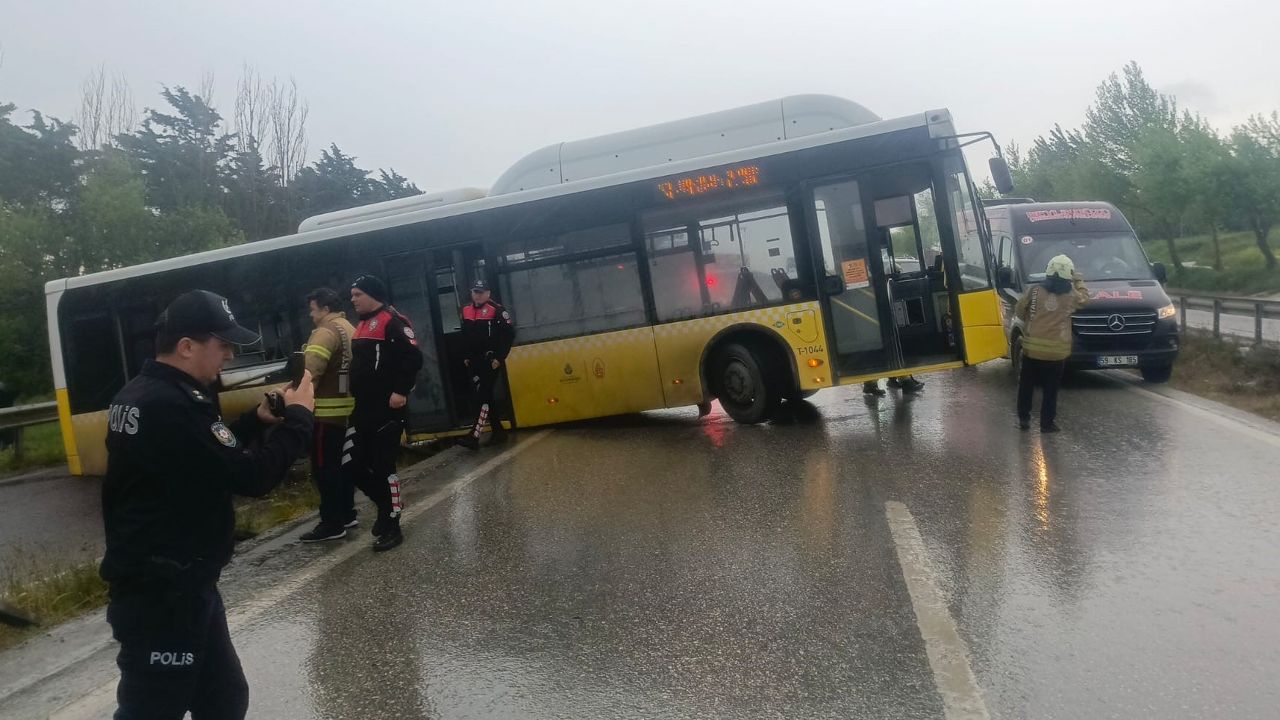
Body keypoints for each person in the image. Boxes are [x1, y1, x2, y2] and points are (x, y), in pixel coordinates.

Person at [100, 289, 315, 719]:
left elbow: (204, 456)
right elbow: (250, 476)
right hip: (163, 591)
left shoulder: (145, 392)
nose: (230, 355)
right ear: (186, 346)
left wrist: (256, 421)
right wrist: (299, 420)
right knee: (151, 708)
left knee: (223, 697)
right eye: (223, 344)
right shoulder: (173, 404)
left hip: (182, 579)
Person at [347, 274, 424, 551]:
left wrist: (400, 391)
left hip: (386, 409)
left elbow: (413, 357)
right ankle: (385, 505)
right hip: (362, 408)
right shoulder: (362, 323)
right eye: (352, 294)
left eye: (357, 294)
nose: (353, 299)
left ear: (372, 294)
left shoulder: (393, 321)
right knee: (349, 463)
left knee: (384, 467)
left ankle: (393, 525)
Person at [299, 288, 358, 543]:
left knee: (324, 468)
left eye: (313, 310)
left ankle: (332, 523)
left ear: (324, 309)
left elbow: (310, 371)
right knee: (343, 466)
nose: (311, 316)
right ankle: (347, 513)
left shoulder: (325, 332)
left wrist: (294, 396)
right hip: (347, 409)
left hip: (324, 415)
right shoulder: (349, 327)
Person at [1015, 254, 1090, 433]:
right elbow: (1085, 300)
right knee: (1051, 390)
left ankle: (1024, 419)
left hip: (1031, 350)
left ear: (1048, 271)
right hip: (1056, 353)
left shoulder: (1034, 291)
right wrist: (1079, 282)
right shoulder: (1072, 295)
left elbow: (1019, 310)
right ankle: (1046, 424)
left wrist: (1032, 318)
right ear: (1069, 274)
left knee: (1026, 385)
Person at [457, 279, 515, 450]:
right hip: (474, 361)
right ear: (471, 293)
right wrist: (466, 356)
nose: (478, 295)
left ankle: (474, 435)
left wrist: (500, 358)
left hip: (491, 361)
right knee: (487, 396)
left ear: (488, 293)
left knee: (482, 396)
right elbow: (465, 335)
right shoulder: (466, 310)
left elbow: (509, 335)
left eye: (481, 292)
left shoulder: (496, 310)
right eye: (475, 292)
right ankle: (498, 432)